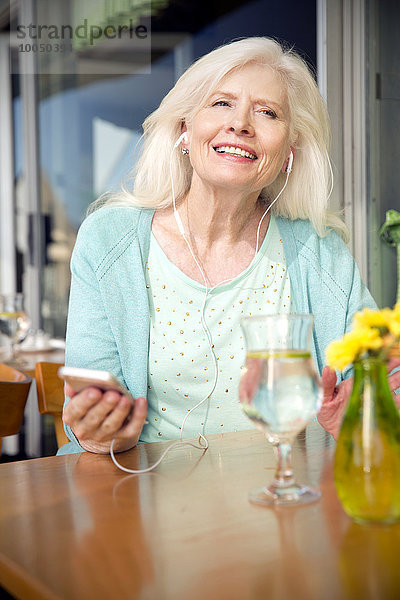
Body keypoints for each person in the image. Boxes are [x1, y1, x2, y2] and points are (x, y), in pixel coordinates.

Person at [60, 37, 399, 456]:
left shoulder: (321, 252)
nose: (240, 123)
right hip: (143, 500)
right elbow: (89, 411)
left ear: (289, 150)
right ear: (184, 127)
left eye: (267, 112)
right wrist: (105, 430)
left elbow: (371, 381)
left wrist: (363, 408)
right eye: (221, 103)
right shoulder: (109, 239)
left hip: (287, 495)